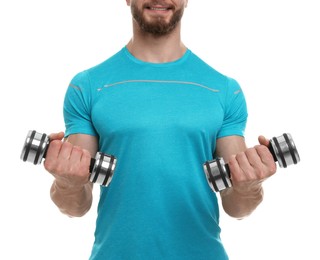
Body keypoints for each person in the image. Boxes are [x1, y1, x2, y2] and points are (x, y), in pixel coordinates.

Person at [44, 0, 277, 259]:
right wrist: (66, 184)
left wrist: (250, 187)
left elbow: (237, 206)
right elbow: (76, 206)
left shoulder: (223, 90)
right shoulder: (88, 86)